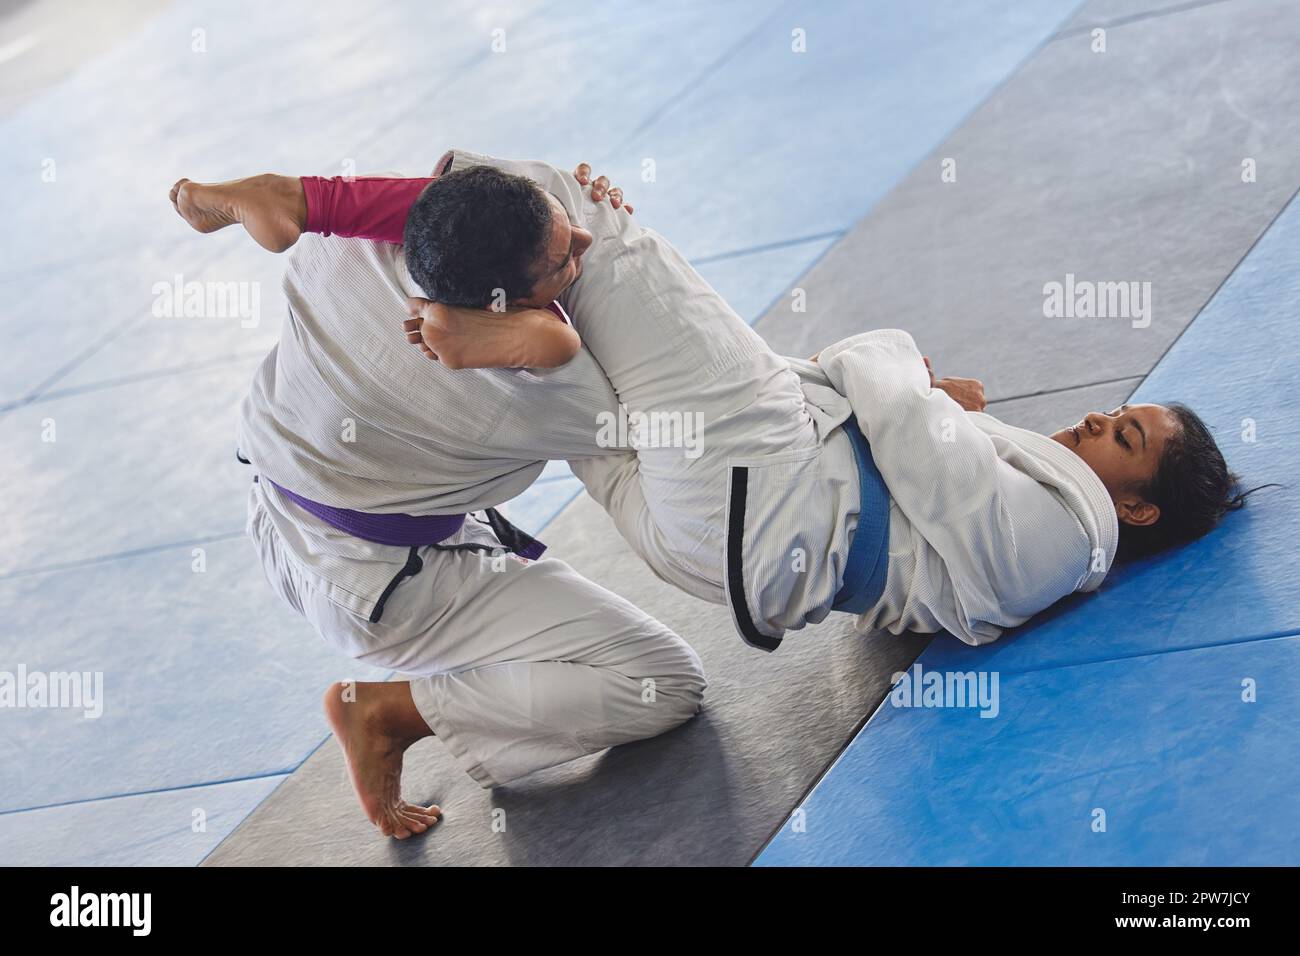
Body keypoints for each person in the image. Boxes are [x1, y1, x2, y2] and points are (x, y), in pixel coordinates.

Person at [171, 158, 706, 841]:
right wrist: (559, 339)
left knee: (358, 209)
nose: (584, 244)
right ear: (499, 306)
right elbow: (658, 416)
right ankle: (392, 711)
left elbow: (450, 191)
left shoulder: (344, 249)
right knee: (661, 681)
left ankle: (283, 194)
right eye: (558, 261)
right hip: (383, 591)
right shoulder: (545, 396)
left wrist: (576, 219)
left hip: (279, 495)